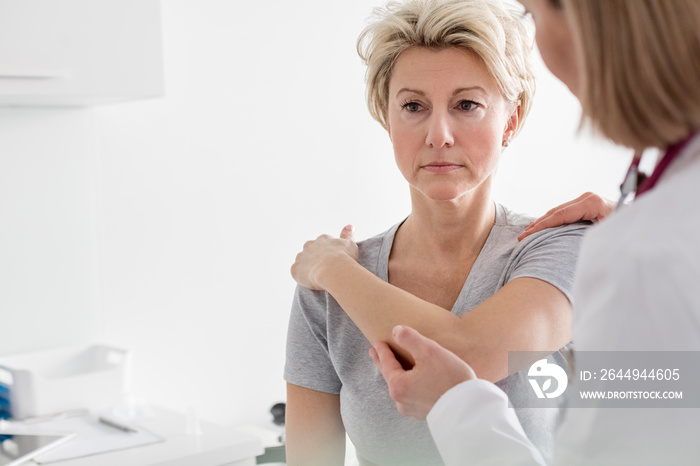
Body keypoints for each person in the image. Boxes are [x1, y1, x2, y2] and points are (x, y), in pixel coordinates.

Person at [367, 0, 700, 464]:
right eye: (413, 105)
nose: (438, 134)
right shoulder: (649, 232)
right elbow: (665, 388)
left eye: (533, 15)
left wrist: (458, 405)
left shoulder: (603, 246)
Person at [284, 0, 588, 464]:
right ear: (387, 120)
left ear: (511, 119)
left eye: (467, 104)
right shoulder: (321, 296)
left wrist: (331, 269)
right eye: (413, 106)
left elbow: (468, 355)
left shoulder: (560, 246)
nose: (439, 134)